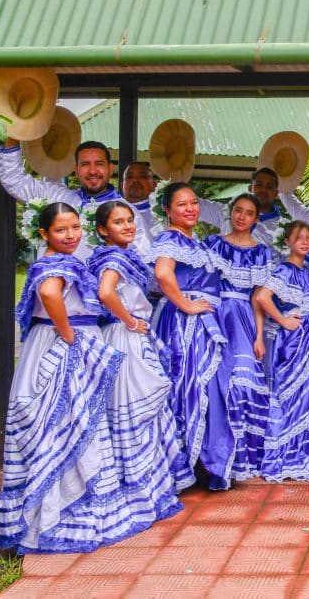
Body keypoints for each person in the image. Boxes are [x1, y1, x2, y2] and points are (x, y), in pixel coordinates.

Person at [0, 202, 171, 553]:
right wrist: (69, 333)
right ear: (44, 233)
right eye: (61, 230)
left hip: (52, 341)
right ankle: (61, 517)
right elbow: (48, 293)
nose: (71, 235)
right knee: (72, 425)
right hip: (64, 347)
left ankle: (54, 511)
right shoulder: (55, 264)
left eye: (75, 227)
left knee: (70, 426)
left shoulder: (58, 260)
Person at [87, 201, 195, 501]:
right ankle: (138, 482)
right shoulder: (113, 259)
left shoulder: (121, 255)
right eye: (119, 222)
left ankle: (144, 477)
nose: (128, 226)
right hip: (124, 337)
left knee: (136, 404)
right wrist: (131, 321)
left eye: (130, 220)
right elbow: (105, 293)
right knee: (134, 406)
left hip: (125, 334)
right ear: (102, 230)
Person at [150, 182, 235, 490]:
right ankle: (187, 462)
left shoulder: (193, 240)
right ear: (167, 210)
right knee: (191, 385)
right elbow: (162, 273)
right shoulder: (170, 238)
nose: (190, 208)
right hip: (186, 326)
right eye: (182, 204)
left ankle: (202, 460)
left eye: (193, 203)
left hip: (201, 322)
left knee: (204, 386)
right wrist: (185, 304)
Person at [253, 221, 309, 482]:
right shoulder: (284, 270)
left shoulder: (305, 272)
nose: (305, 242)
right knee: (296, 392)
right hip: (295, 339)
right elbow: (261, 297)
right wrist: (283, 321)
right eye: (299, 238)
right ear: (288, 242)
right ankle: (292, 452)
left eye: (308, 238)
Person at [203, 194, 274, 481]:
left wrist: (259, 336)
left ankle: (241, 458)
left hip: (243, 317)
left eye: (249, 212)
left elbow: (259, 298)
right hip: (216, 313)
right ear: (230, 213)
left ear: (257, 218)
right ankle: (215, 460)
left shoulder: (262, 253)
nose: (242, 216)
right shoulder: (214, 244)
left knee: (244, 384)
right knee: (214, 383)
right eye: (238, 211)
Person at [0, 140, 151, 257]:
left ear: (111, 169)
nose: (92, 171)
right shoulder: (58, 198)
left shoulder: (127, 212)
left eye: (99, 164)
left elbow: (142, 260)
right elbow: (15, 181)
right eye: (85, 164)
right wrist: (13, 133)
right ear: (76, 170)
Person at [199, 167, 309, 248]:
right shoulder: (227, 213)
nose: (263, 190)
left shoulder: (284, 229)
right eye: (259, 185)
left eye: (269, 187)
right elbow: (194, 205)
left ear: (276, 193)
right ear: (250, 188)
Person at [121, 161, 157, 241]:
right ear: (122, 185)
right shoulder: (111, 212)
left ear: (154, 185)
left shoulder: (166, 215)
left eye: (143, 176)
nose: (136, 180)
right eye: (130, 177)